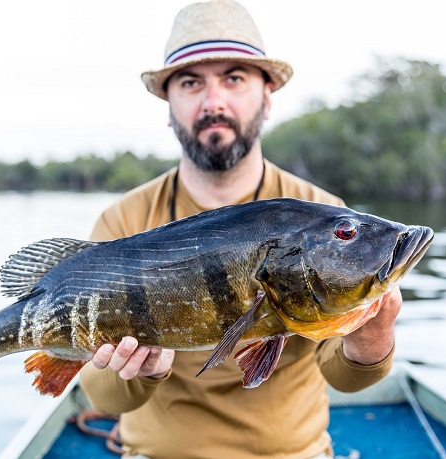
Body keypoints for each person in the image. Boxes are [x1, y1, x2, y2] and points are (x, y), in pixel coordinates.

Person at [79, 1, 401, 458]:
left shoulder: (326, 217)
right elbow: (103, 397)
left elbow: (342, 377)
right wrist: (142, 369)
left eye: (234, 78)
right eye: (191, 83)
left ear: (266, 96)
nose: (214, 101)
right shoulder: (124, 222)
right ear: (168, 104)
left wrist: (372, 338)